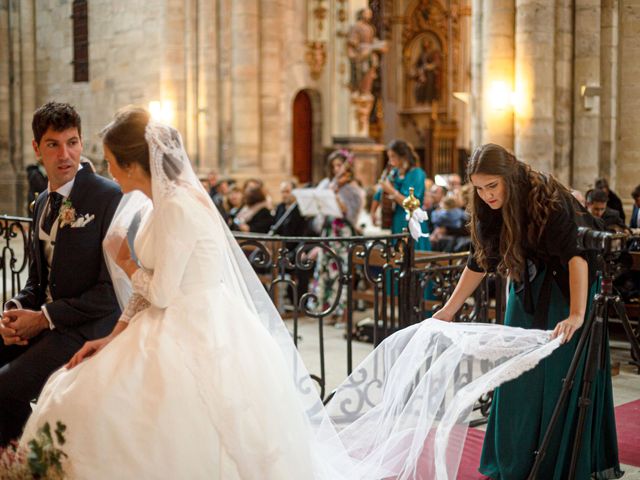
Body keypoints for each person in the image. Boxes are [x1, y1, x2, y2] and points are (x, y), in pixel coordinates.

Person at [20, 111, 581, 480]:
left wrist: (124, 262)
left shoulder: (178, 205)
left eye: (111, 160)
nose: (107, 169)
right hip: (178, 323)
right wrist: (114, 335)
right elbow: (151, 297)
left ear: (136, 161)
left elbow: (160, 289)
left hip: (193, 327)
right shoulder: (164, 201)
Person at [434, 144, 621, 479]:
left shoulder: (546, 198)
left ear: (510, 176)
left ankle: (559, 464)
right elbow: (479, 261)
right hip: (529, 285)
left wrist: (577, 314)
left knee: (558, 372)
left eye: (492, 186)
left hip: (569, 288)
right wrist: (448, 309)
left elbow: (576, 256)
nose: (486, 195)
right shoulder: (487, 206)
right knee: (516, 372)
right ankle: (516, 460)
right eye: (479, 188)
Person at [0, 102, 122, 446]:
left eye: (72, 142)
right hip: (48, 324)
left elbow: (109, 291)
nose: (65, 154)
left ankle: (29, 460)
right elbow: (36, 283)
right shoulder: (40, 204)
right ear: (37, 149)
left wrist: (43, 318)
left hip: (85, 329)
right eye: (53, 144)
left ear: (81, 143)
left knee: (5, 388)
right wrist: (13, 311)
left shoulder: (107, 197)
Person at [372, 139, 430, 250]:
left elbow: (412, 204)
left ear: (403, 157)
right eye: (389, 157)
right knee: (397, 256)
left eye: (393, 156)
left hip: (412, 220)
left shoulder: (417, 173)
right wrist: (373, 212)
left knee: (412, 257)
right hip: (397, 219)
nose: (390, 161)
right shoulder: (394, 173)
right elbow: (380, 193)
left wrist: (392, 191)